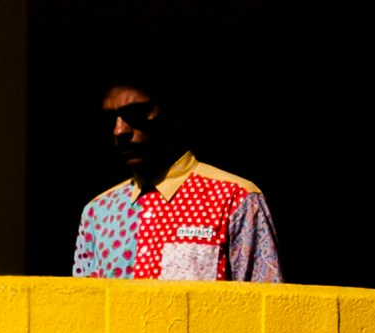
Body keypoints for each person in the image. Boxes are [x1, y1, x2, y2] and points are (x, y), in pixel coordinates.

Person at [72, 69, 282, 282]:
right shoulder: (97, 212)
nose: (119, 131)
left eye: (137, 113)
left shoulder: (235, 198)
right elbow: (84, 306)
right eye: (110, 119)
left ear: (176, 113)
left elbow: (264, 305)